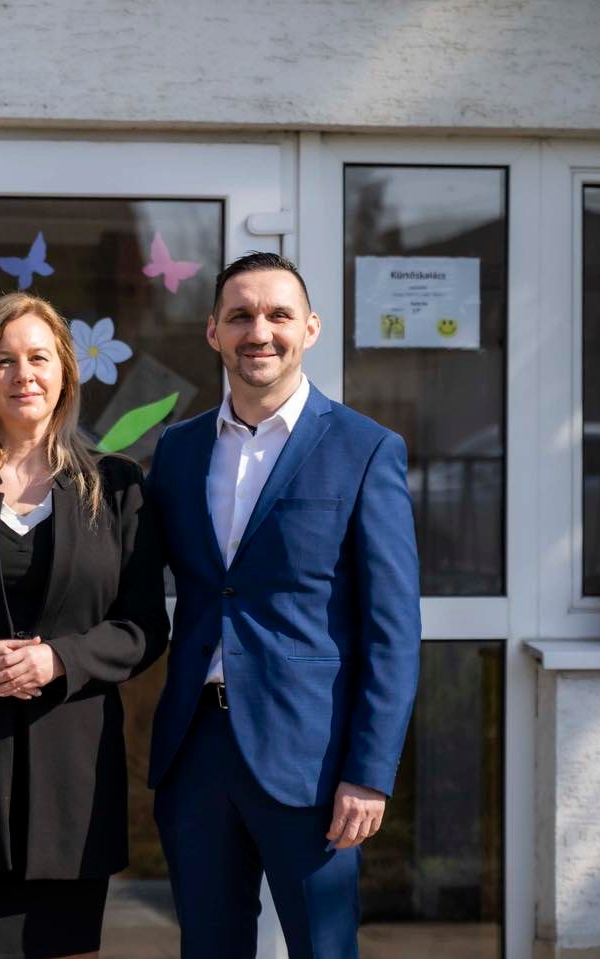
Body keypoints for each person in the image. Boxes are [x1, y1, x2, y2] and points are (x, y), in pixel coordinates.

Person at [147, 252, 421, 958]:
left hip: (313, 761)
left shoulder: (365, 449)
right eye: (240, 316)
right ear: (213, 331)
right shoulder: (178, 450)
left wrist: (369, 772)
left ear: (311, 328)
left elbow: (392, 631)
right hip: (196, 751)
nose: (259, 332)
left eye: (278, 315)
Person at [0, 292, 169, 959]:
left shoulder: (116, 486)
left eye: (39, 358)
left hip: (74, 784)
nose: (24, 375)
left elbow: (143, 625)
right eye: (4, 360)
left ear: (65, 372)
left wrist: (61, 660)